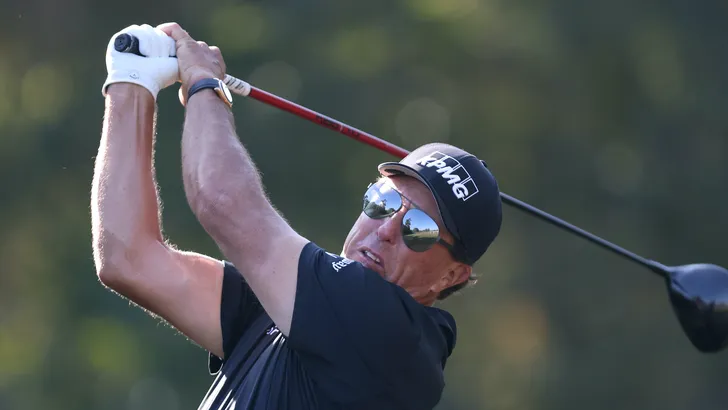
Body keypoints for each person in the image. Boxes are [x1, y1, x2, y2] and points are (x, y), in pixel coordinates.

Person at [91, 22, 503, 410]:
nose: (386, 230)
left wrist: (203, 82)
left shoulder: (391, 335)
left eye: (419, 229)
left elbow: (221, 200)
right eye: (384, 201)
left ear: (451, 277)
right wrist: (132, 82)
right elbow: (128, 259)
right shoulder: (295, 307)